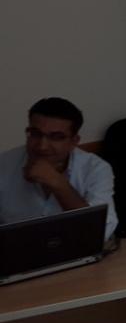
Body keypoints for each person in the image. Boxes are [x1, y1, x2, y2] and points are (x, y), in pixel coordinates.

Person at [0, 97, 117, 239]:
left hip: (75, 247)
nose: (42, 146)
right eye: (35, 134)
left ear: (74, 141)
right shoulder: (4, 164)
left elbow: (101, 232)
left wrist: (59, 184)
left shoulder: (95, 169)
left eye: (56, 137)